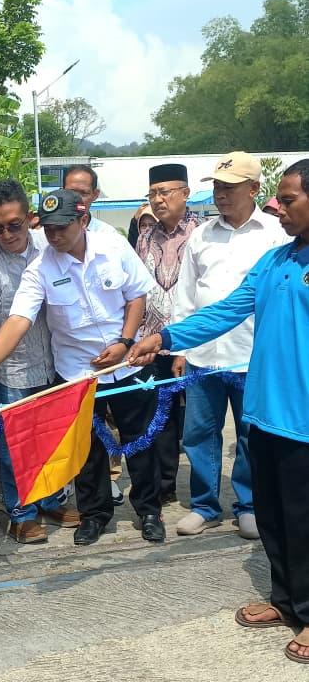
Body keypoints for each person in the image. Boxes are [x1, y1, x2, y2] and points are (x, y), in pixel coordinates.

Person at [127, 159, 309, 663]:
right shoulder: (275, 262)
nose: (282, 209)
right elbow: (225, 311)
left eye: (290, 201)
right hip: (267, 411)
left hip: (305, 419)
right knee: (273, 515)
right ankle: (287, 600)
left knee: (305, 519)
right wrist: (163, 338)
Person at [0, 188, 164, 545]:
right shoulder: (40, 268)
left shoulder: (114, 246)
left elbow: (137, 294)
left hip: (128, 363)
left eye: (62, 227)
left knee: (139, 442)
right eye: (48, 228)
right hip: (78, 371)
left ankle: (149, 511)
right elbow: (19, 319)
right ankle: (95, 515)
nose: (54, 235)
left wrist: (124, 341)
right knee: (85, 449)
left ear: (83, 220)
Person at [169, 152, 288, 540]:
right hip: (204, 356)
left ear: (254, 189)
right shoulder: (201, 234)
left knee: (251, 435)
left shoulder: (275, 233)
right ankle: (204, 505)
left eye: (230, 188)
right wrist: (180, 349)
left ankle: (249, 505)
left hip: (252, 356)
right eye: (217, 187)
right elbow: (185, 294)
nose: (221, 195)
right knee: (199, 434)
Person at [0, 179, 79, 544]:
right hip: (10, 368)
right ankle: (21, 514)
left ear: (31, 218)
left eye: (14, 225)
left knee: (49, 441)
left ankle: (47, 499)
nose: (7, 234)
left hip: (55, 361)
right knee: (15, 448)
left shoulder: (51, 245)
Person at [136, 163, 201, 504]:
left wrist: (186, 347)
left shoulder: (201, 233)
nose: (158, 200)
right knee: (157, 416)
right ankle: (163, 486)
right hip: (150, 343)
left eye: (165, 192)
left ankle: (204, 493)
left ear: (185, 193)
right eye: (153, 194)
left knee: (194, 419)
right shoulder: (145, 235)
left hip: (189, 343)